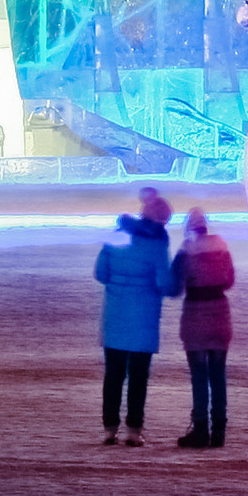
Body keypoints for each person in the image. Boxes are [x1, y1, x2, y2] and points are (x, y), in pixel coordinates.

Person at [93, 187, 178, 446]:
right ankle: (133, 430)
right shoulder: (157, 244)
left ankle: (109, 429)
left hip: (115, 316)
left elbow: (100, 273)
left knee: (113, 375)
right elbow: (165, 282)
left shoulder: (117, 235)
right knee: (138, 378)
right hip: (144, 318)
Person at [171, 207, 236, 448]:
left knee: (199, 376)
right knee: (218, 376)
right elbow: (229, 280)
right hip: (220, 314)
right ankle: (219, 431)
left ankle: (200, 429)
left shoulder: (185, 251)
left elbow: (174, 285)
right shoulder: (221, 246)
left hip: (195, 316)